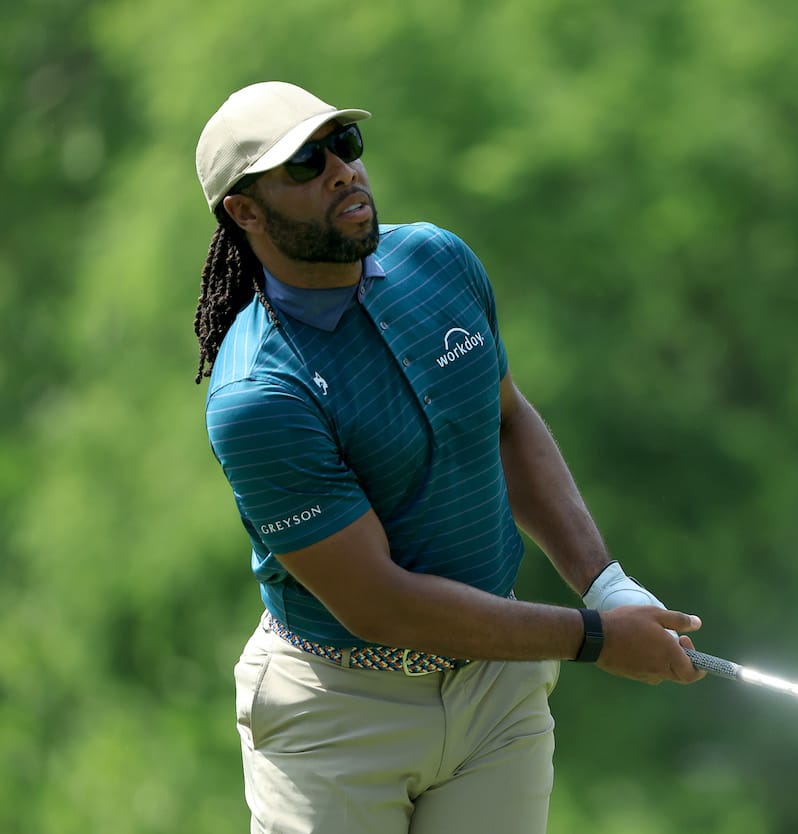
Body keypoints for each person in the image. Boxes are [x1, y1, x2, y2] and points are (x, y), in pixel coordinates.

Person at [192, 81, 704, 834]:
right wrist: (594, 639)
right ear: (245, 211)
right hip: (339, 714)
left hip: (496, 695)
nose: (341, 170)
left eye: (344, 145)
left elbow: (504, 423)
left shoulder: (437, 259)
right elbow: (381, 605)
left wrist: (608, 585)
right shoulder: (260, 395)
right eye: (304, 164)